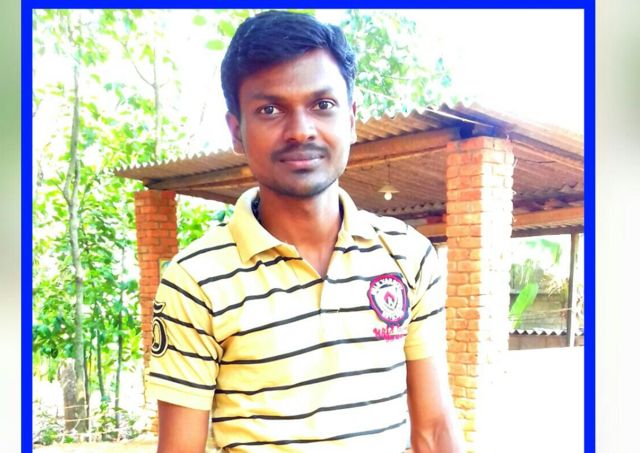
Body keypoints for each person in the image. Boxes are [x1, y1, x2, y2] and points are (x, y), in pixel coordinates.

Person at [146, 10, 463, 453]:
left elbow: (434, 429)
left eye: (323, 105)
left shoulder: (408, 255)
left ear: (351, 118)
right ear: (237, 132)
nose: (300, 131)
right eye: (270, 109)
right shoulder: (195, 281)